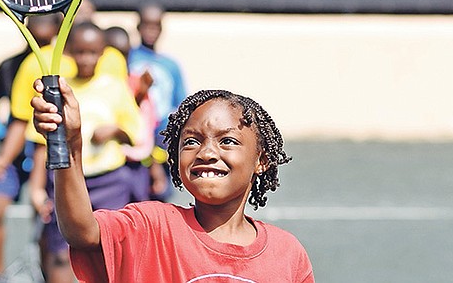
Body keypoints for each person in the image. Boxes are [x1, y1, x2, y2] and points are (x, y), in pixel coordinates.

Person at [31, 83, 316, 282]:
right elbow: (82, 231)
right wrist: (70, 146)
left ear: (261, 160)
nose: (206, 153)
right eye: (191, 141)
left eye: (227, 141)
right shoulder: (151, 225)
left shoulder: (288, 253)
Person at [29, 22, 145, 283]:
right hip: (68, 181)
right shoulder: (59, 90)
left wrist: (114, 131)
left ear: (103, 53)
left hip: (110, 181)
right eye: (79, 52)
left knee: (110, 253)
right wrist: (37, 188)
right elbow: (40, 142)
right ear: (68, 51)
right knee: (60, 253)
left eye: (92, 52)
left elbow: (136, 133)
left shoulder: (115, 87)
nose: (85, 58)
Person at [0, 15, 61, 281]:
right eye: (34, 23)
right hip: (15, 151)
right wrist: (3, 139)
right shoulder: (10, 66)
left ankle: (45, 270)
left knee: (43, 214)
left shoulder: (63, 64)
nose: (39, 29)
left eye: (46, 23)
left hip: (47, 154)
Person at [128, 3, 187, 199]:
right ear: (138, 27)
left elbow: (180, 104)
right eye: (146, 25)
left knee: (161, 194)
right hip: (135, 137)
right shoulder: (128, 58)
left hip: (162, 139)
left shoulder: (171, 65)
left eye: (156, 26)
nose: (151, 30)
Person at [104, 25, 170, 199]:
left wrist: (155, 167)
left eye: (125, 55)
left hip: (138, 166)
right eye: (115, 55)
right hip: (107, 170)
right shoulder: (99, 88)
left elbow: (144, 131)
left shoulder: (136, 82)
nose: (121, 62)